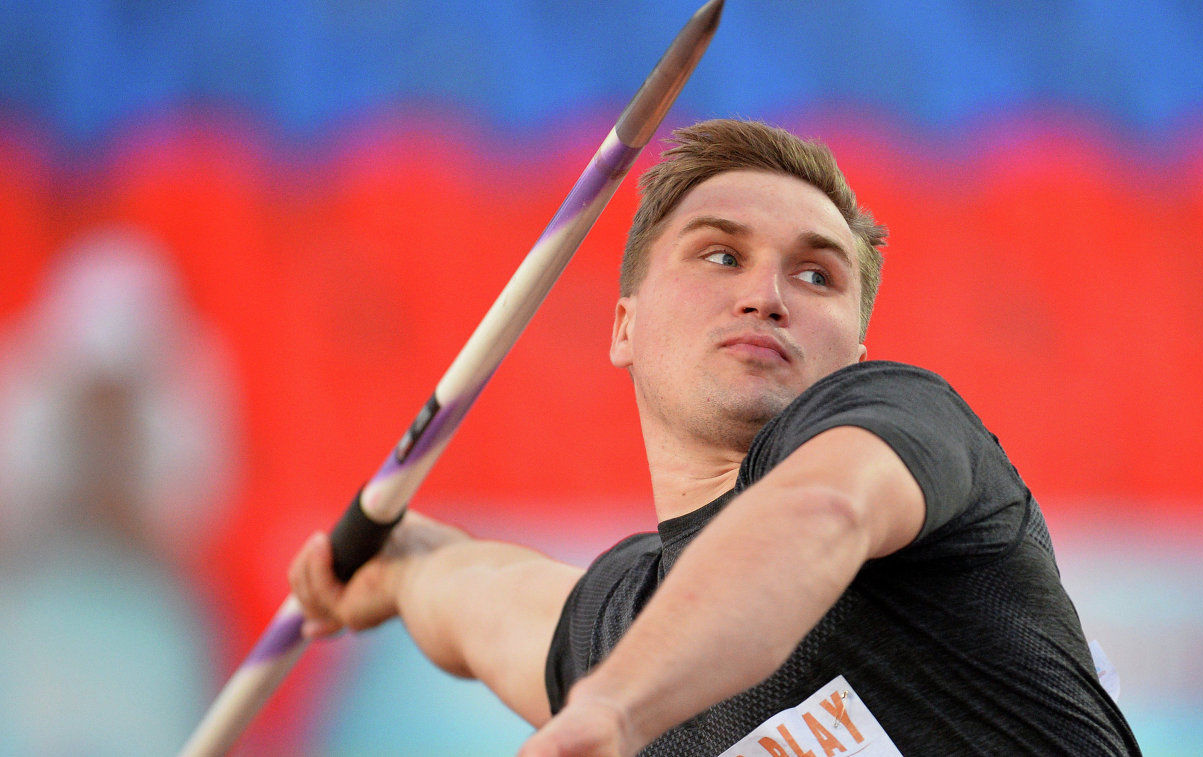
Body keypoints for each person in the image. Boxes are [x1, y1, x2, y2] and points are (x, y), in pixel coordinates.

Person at [289, 119, 1140, 756]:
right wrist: (405, 566)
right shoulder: (621, 631)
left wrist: (615, 707)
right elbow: (487, 598)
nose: (768, 295)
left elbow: (820, 512)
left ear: (856, 353)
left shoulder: (902, 424)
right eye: (721, 256)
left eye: (816, 274)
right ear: (625, 325)